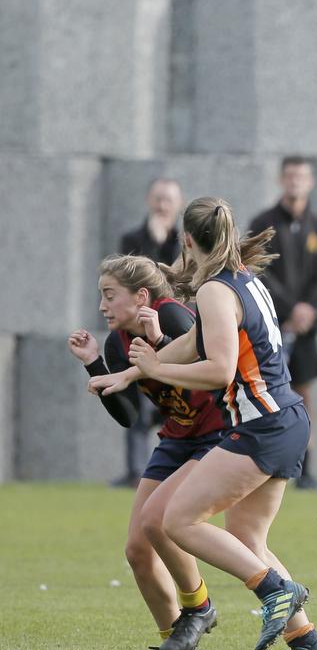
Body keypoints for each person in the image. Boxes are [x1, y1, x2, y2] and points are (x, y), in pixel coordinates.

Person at [89, 197, 317, 650]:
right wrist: (136, 374)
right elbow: (194, 343)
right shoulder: (246, 280)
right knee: (247, 539)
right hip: (283, 419)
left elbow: (220, 369)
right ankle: (307, 644)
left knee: (176, 521)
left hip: (262, 425)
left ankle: (274, 591)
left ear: (186, 241)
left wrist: (158, 367)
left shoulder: (216, 291)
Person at [68, 254, 224, 650]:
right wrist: (94, 365)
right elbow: (131, 417)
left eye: (109, 295)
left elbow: (212, 365)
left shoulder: (172, 316)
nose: (102, 306)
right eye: (100, 296)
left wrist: (158, 346)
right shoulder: (118, 341)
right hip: (177, 439)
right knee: (138, 549)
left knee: (158, 521)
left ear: (140, 296)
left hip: (219, 436)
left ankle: (200, 607)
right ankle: (177, 645)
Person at [249, 156, 317, 491]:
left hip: (306, 327)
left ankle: (305, 469)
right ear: (282, 180)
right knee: (266, 393)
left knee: (303, 395)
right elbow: (259, 270)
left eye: (302, 176)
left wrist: (308, 308)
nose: (296, 182)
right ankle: (264, 464)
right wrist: (290, 308)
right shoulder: (264, 223)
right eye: (290, 176)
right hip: (272, 324)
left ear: (310, 182)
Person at [112, 178, 185, 488]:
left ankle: (170, 468)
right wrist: (151, 243)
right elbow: (135, 282)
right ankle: (135, 471)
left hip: (169, 326)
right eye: (158, 198)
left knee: (173, 402)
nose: (162, 205)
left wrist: (163, 243)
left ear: (178, 205)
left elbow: (175, 283)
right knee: (137, 405)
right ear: (148, 200)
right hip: (137, 327)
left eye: (169, 199)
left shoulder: (183, 242)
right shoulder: (133, 238)